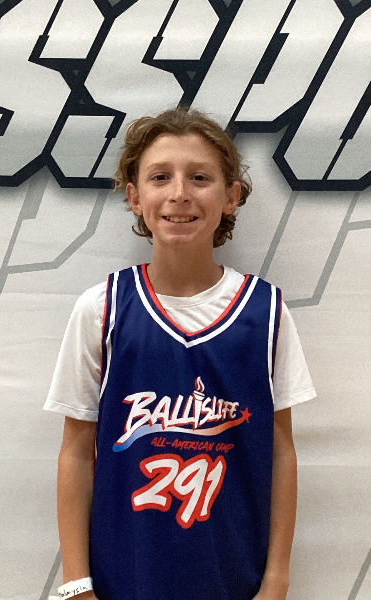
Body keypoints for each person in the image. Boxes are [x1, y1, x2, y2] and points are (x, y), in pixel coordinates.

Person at [44, 107, 316, 600]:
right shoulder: (102, 309)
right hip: (122, 579)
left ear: (231, 196)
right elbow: (76, 452)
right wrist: (76, 582)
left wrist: (277, 579)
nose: (179, 193)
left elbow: (281, 452)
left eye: (200, 177)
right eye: (160, 177)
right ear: (134, 196)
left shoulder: (266, 312)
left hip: (233, 579)